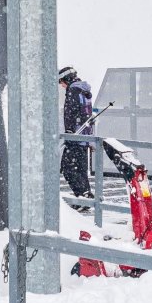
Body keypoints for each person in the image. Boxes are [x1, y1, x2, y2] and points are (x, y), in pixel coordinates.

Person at [58, 65, 96, 208]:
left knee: (67, 169)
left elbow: (71, 114)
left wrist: (68, 133)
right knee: (80, 169)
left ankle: (82, 197)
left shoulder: (73, 90)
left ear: (67, 78)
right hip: (84, 136)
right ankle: (85, 197)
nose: (61, 85)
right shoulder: (83, 90)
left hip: (75, 136)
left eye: (61, 81)